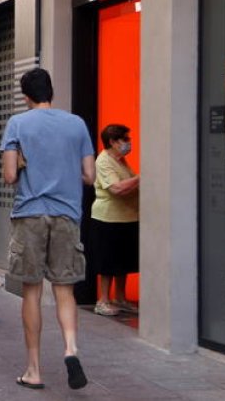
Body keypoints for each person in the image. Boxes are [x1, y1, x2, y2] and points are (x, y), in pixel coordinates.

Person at [1, 68, 95, 391]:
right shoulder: (77, 124)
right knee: (64, 289)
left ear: (26, 96)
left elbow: (10, 175)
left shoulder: (18, 124)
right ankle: (70, 349)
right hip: (67, 215)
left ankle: (34, 370)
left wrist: (27, 164)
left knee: (31, 290)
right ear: (51, 92)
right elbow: (90, 176)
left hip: (30, 214)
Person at [90, 123, 140, 317]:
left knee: (123, 261)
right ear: (112, 141)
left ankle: (120, 298)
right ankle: (103, 300)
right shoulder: (103, 161)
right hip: (108, 219)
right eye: (125, 139)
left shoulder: (121, 160)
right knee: (108, 261)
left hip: (127, 217)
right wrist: (140, 179)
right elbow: (117, 188)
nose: (129, 143)